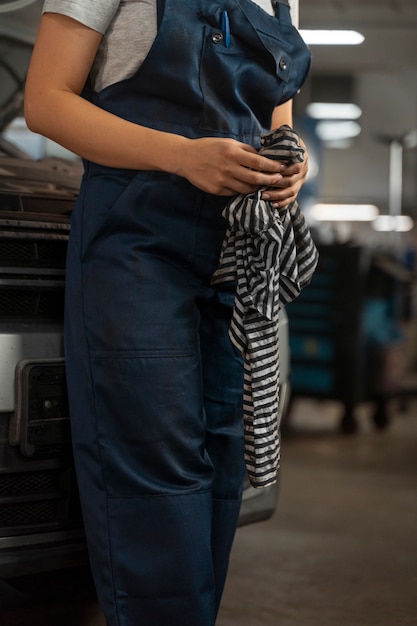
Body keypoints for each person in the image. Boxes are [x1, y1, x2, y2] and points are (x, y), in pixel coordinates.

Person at [25, 1, 311, 624]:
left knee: (221, 459)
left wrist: (291, 162)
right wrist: (181, 156)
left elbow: (275, 118)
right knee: (154, 467)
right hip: (137, 237)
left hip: (235, 247)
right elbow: (45, 100)